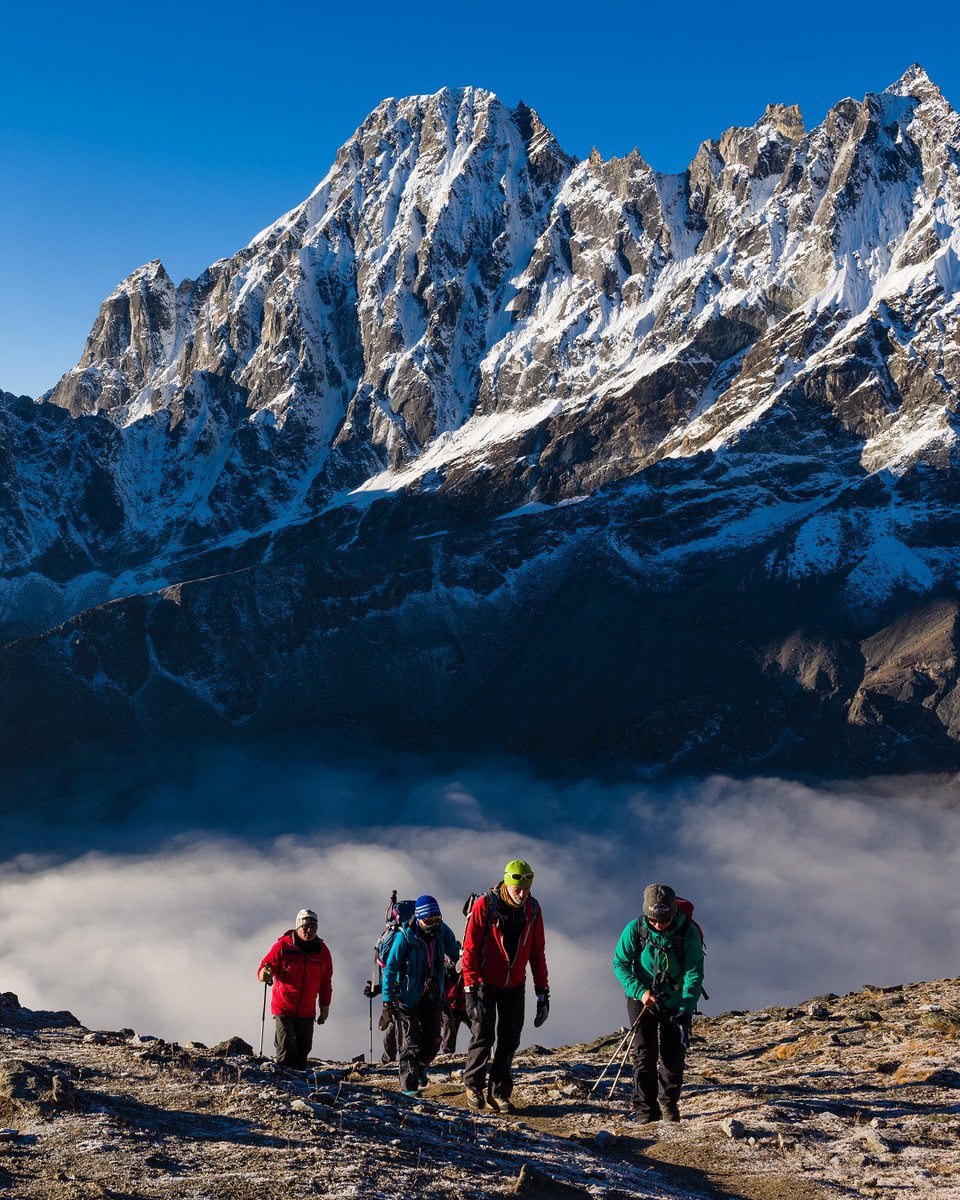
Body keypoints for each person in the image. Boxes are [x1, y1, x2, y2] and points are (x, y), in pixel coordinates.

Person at [461, 859, 549, 1113]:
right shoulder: (485, 905)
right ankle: (473, 1086)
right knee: (483, 1035)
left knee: (510, 1039)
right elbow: (470, 950)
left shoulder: (533, 910)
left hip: (515, 984)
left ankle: (499, 1092)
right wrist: (470, 990)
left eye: (526, 888)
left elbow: (537, 952)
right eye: (517, 888)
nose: (522, 894)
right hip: (485, 983)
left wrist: (542, 992)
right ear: (507, 883)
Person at [612, 883, 704, 1123]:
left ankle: (668, 1104)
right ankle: (645, 1110)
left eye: (664, 919)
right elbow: (620, 963)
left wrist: (686, 1008)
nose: (658, 924)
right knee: (644, 1054)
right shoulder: (635, 930)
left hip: (675, 1001)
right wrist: (640, 991)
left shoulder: (688, 932)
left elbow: (694, 972)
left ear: (674, 912)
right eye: (653, 919)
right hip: (641, 999)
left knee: (673, 1056)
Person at [381, 895, 459, 1097]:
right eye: (429, 920)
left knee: (434, 1039)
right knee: (410, 1042)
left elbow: (456, 953)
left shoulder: (442, 931)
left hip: (431, 996)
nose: (434, 924)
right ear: (419, 918)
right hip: (406, 997)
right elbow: (390, 969)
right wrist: (387, 1001)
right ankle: (409, 1088)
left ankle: (420, 1067)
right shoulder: (404, 937)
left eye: (437, 919)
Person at [258, 908, 333, 1071]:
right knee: (285, 1047)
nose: (309, 930)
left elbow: (325, 982)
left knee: (303, 1049)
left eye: (313, 926)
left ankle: (299, 1084)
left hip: (306, 1010)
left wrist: (324, 1007)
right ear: (298, 927)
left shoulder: (322, 951)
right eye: (305, 926)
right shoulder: (282, 946)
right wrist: (264, 973)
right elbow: (265, 966)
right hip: (283, 1006)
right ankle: (284, 1083)